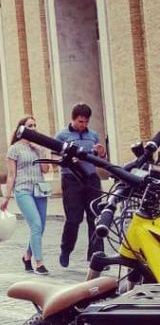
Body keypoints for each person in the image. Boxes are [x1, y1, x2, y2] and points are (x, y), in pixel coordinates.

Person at [55, 102, 106, 268]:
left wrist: (101, 153)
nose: (82, 125)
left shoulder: (93, 135)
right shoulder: (61, 136)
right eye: (80, 121)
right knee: (73, 219)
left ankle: (96, 256)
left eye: (85, 122)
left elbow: (101, 161)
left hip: (91, 179)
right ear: (73, 119)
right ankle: (66, 250)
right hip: (71, 180)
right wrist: (69, 159)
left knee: (96, 217)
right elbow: (56, 161)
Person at [0, 115, 51, 274]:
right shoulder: (14, 149)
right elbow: (11, 175)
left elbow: (45, 170)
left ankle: (27, 256)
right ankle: (39, 262)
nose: (33, 128)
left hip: (40, 189)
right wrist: (7, 197)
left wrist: (41, 150)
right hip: (23, 190)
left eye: (35, 125)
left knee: (41, 226)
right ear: (21, 128)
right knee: (35, 224)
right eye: (30, 125)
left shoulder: (37, 147)